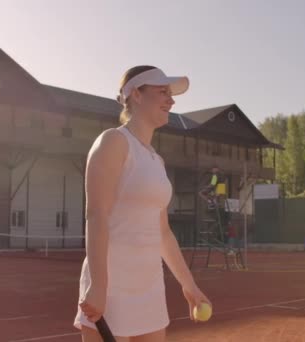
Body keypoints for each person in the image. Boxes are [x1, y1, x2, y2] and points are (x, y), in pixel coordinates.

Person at [74, 66, 211, 341]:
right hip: (111, 286)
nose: (171, 100)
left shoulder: (156, 161)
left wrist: (190, 285)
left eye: (171, 94)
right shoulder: (113, 141)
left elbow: (163, 233)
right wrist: (99, 285)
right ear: (136, 94)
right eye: (163, 92)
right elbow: (96, 214)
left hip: (149, 287)